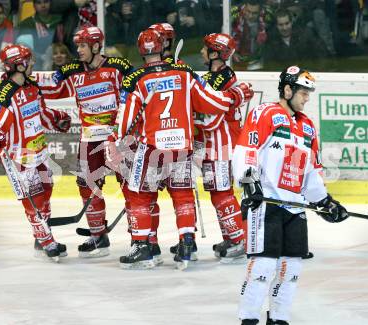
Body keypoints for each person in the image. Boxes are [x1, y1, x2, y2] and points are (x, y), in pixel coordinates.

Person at [116, 29, 253, 270]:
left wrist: (116, 139)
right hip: (183, 146)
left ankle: (144, 247)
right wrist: (234, 96)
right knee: (183, 195)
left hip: (157, 148)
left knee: (139, 193)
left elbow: (125, 119)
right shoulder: (185, 74)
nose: (201, 52)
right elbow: (214, 103)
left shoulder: (137, 78)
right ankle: (187, 243)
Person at [232, 66, 349, 324]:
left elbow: (311, 171)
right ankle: (249, 319)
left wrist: (325, 202)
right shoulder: (265, 113)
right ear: (287, 90)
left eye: (309, 93)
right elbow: (246, 149)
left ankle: (279, 318)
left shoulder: (308, 127)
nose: (307, 98)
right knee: (262, 267)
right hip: (265, 204)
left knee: (292, 268)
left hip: (295, 207)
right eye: (303, 92)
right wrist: (249, 181)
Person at [36, 26, 134, 258]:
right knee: (87, 185)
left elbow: (134, 97)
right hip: (89, 138)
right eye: (77, 45)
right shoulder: (72, 70)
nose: (77, 50)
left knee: (130, 185)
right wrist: (18, 78)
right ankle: (98, 235)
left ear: (96, 46)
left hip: (118, 138)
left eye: (82, 45)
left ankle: (140, 237)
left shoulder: (119, 68)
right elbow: (50, 85)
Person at [0, 44, 71, 260]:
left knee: (47, 189)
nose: (32, 64)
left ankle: (43, 235)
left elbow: (40, 113)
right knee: (33, 199)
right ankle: (47, 242)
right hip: (20, 158)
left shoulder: (31, 86)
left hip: (38, 152)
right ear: (18, 65)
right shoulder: (4, 93)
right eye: (28, 61)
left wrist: (57, 119)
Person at [192, 33, 247, 262]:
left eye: (206, 49)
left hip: (223, 146)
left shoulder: (222, 77)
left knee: (222, 193)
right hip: (216, 145)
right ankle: (232, 237)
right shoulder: (215, 77)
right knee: (217, 193)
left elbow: (207, 115)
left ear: (215, 53)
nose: (202, 52)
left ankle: (238, 240)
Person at [262, 9, 328, 71]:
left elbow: (322, 54)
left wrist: (318, 71)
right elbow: (269, 65)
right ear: (276, 25)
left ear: (291, 22)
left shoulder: (306, 34)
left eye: (287, 23)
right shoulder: (271, 40)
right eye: (281, 25)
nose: (284, 28)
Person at [18, 0, 64, 70]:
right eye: (39, 3)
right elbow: (24, 49)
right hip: (36, 63)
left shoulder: (61, 20)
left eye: (46, 2)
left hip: (59, 59)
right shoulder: (26, 24)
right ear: (34, 5)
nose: (43, 6)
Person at [232, 0, 267, 71]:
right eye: (248, 11)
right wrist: (232, 52)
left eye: (254, 13)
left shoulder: (267, 17)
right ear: (244, 8)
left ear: (260, 11)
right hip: (235, 61)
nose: (250, 16)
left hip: (257, 62)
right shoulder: (232, 15)